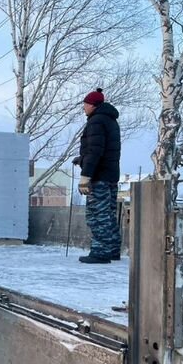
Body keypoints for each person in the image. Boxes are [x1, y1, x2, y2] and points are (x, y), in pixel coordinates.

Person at [73, 88, 121, 264]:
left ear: (92, 105)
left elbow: (95, 151)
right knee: (108, 214)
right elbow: (103, 150)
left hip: (98, 176)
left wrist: (86, 175)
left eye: (85, 105)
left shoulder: (96, 122)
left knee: (97, 214)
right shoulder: (110, 121)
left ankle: (100, 252)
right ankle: (113, 249)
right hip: (110, 175)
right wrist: (82, 159)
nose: (84, 108)